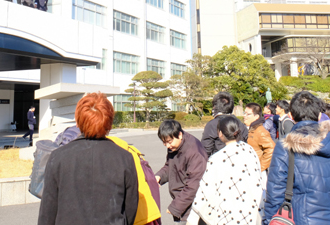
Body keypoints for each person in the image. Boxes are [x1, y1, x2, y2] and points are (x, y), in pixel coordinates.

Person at [38, 93, 138, 225]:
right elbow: (131, 208)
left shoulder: (58, 157)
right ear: (109, 121)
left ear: (78, 120)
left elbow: (48, 211)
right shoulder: (125, 158)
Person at [264, 91, 330, 225]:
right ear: (319, 115)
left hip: (298, 217)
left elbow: (275, 193)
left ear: (291, 115)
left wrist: (268, 220)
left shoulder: (285, 145)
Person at [188, 116, 264, 225]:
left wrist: (192, 218)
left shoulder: (217, 158)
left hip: (228, 213)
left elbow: (206, 190)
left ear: (220, 133)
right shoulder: (250, 151)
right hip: (251, 210)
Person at [155, 120, 207, 224]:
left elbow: (194, 185)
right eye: (164, 142)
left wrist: (176, 207)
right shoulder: (175, 146)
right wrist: (159, 176)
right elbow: (170, 165)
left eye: (169, 142)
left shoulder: (194, 152)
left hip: (192, 206)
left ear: (179, 134)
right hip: (182, 201)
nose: (168, 146)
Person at [201, 91, 248, 157]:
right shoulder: (239, 123)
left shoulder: (212, 125)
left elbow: (205, 151)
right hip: (240, 162)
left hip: (219, 162)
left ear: (215, 107)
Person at [244, 103, 275, 175]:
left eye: (248, 114)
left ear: (256, 116)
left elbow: (271, 149)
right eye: (244, 113)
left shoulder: (260, 131)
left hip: (256, 172)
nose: (244, 116)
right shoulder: (251, 129)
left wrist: (260, 168)